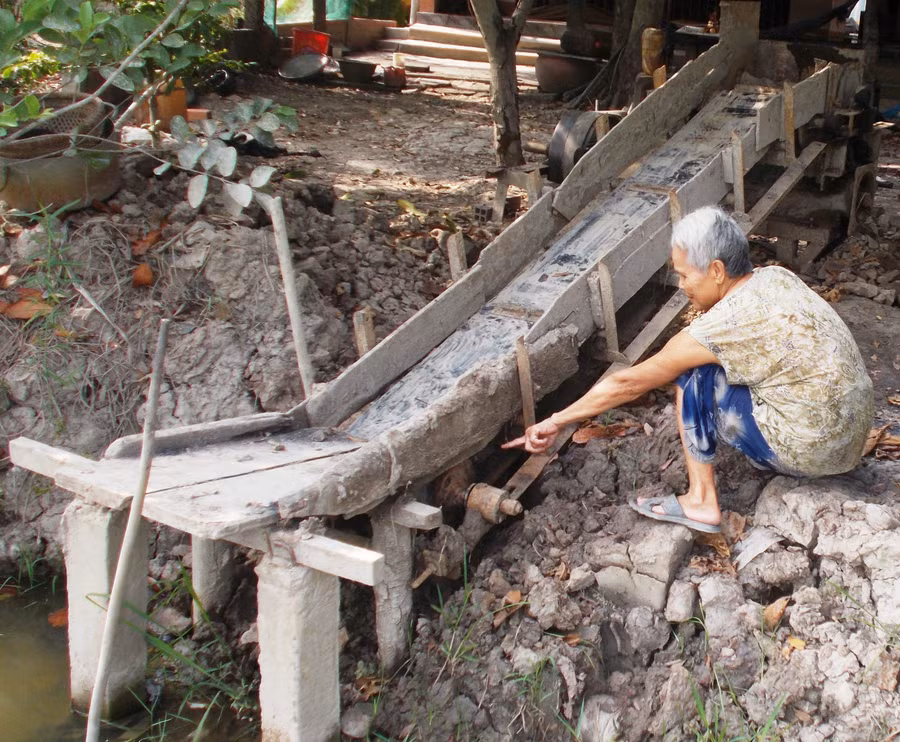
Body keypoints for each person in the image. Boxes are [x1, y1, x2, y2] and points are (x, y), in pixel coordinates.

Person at [503, 205, 874, 534]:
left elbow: (629, 383)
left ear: (716, 270)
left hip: (814, 451)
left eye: (684, 275)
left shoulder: (725, 323)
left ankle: (701, 500)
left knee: (695, 376)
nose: (681, 286)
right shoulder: (777, 277)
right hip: (851, 441)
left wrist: (557, 420)